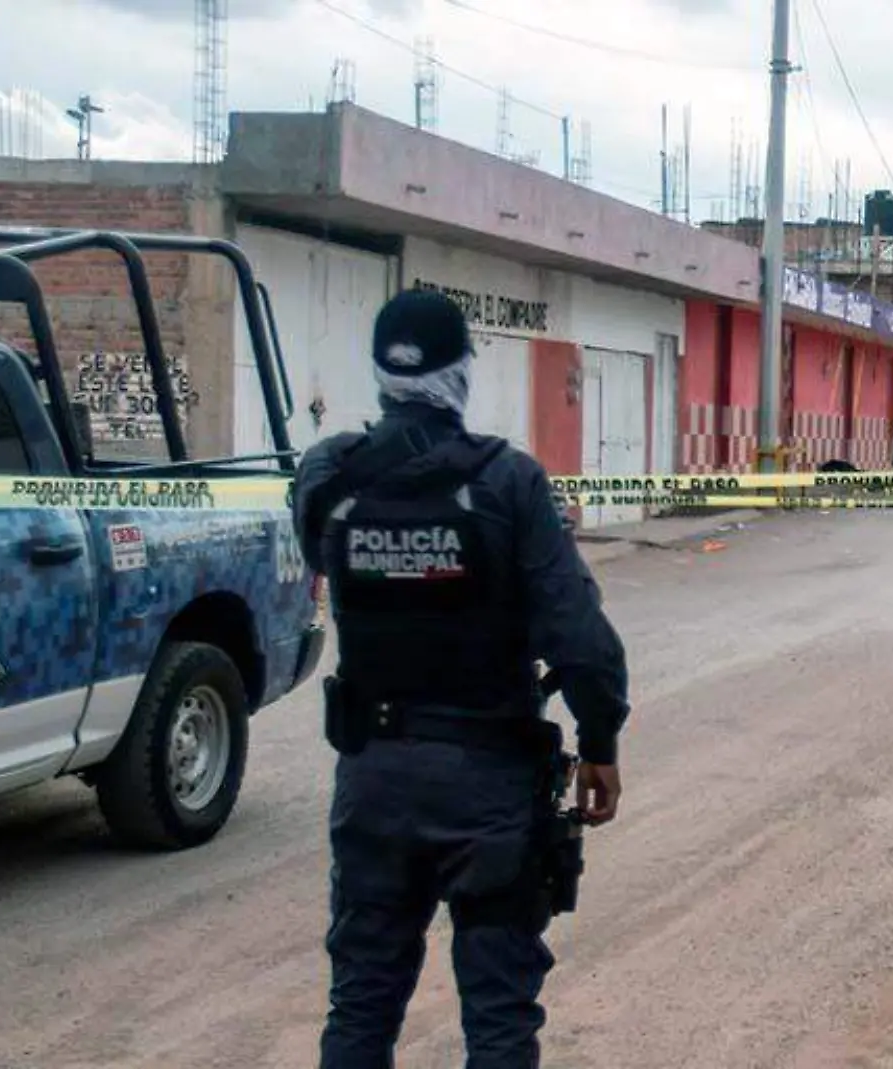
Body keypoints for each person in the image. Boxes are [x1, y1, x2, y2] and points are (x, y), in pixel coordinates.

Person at [296, 290, 631, 1069]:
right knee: (499, 1014)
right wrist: (601, 741)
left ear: (381, 371)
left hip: (374, 776)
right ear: (463, 374)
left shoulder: (327, 474)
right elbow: (578, 637)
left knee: (363, 1002)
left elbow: (323, 557)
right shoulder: (507, 482)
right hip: (488, 788)